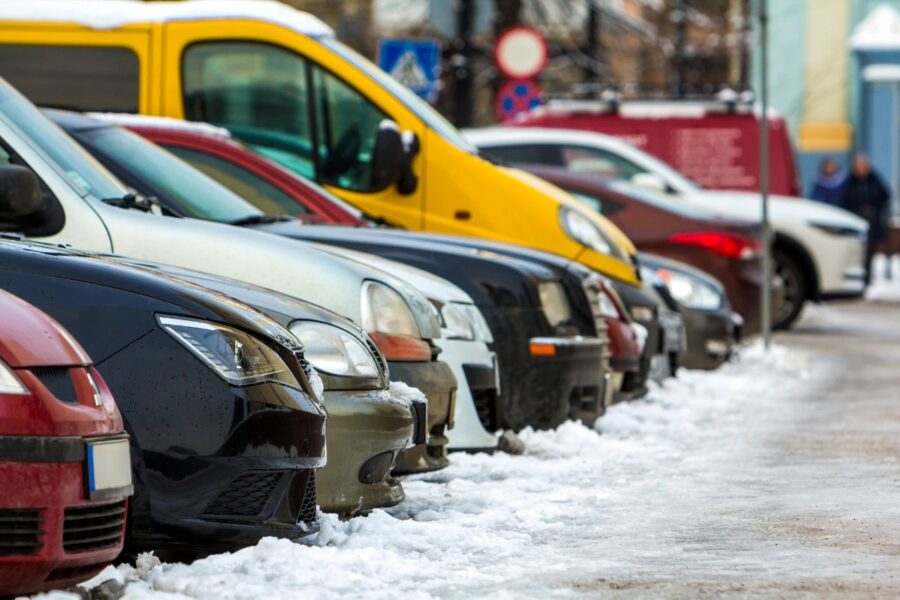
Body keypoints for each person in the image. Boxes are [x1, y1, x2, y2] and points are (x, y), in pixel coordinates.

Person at [841, 153, 890, 285]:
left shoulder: (874, 179)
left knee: (869, 251)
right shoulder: (850, 182)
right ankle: (852, 276)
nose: (861, 169)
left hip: (871, 221)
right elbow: (843, 199)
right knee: (854, 250)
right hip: (854, 220)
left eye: (863, 166)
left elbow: (885, 195)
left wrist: (875, 210)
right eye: (859, 166)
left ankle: (867, 278)